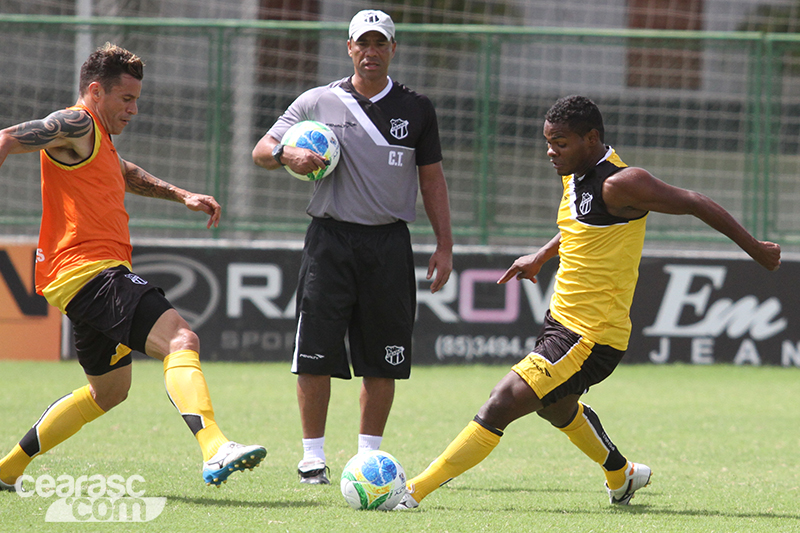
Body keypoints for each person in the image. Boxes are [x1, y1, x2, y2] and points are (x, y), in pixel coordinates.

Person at [395, 95, 782, 509]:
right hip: (561, 322)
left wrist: (756, 249)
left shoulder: (622, 183)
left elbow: (693, 202)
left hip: (590, 337)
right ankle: (621, 473)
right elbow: (580, 226)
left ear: (591, 138)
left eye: (560, 143)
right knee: (555, 407)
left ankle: (411, 492)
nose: (550, 152)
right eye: (548, 142)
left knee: (501, 402)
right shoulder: (576, 173)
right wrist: (541, 256)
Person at [0, 43, 266, 492]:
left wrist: (182, 195)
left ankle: (6, 470)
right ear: (95, 91)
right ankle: (215, 447)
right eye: (126, 99)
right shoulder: (78, 122)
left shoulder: (96, 140)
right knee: (181, 339)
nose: (134, 109)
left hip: (77, 278)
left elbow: (125, 172)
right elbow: (6, 138)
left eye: (136, 99)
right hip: (91, 271)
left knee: (109, 392)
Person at [252, 10, 453, 485]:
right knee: (314, 352)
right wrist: (287, 154)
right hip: (329, 241)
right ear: (349, 48)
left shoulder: (417, 108)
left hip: (388, 243)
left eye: (380, 43)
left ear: (393, 49)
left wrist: (444, 245)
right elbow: (261, 151)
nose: (371, 52)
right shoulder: (318, 100)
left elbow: (432, 180)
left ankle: (368, 461)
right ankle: (312, 459)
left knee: (383, 357)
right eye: (363, 43)